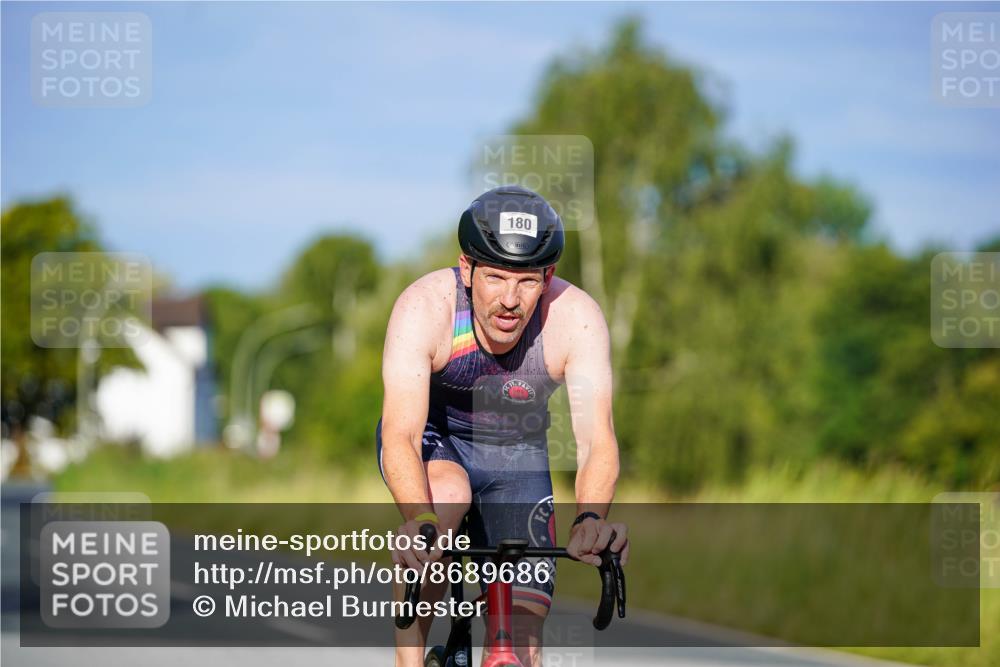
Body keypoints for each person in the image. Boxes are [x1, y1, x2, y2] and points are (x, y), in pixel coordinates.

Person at [377, 185, 628, 667]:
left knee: (523, 638)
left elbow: (597, 439)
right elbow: (400, 435)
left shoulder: (575, 319)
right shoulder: (425, 308)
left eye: (527, 281)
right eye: (494, 277)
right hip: (435, 442)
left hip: (515, 453)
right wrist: (419, 522)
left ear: (548, 275)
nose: (509, 300)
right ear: (467, 268)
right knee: (445, 504)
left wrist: (591, 519)